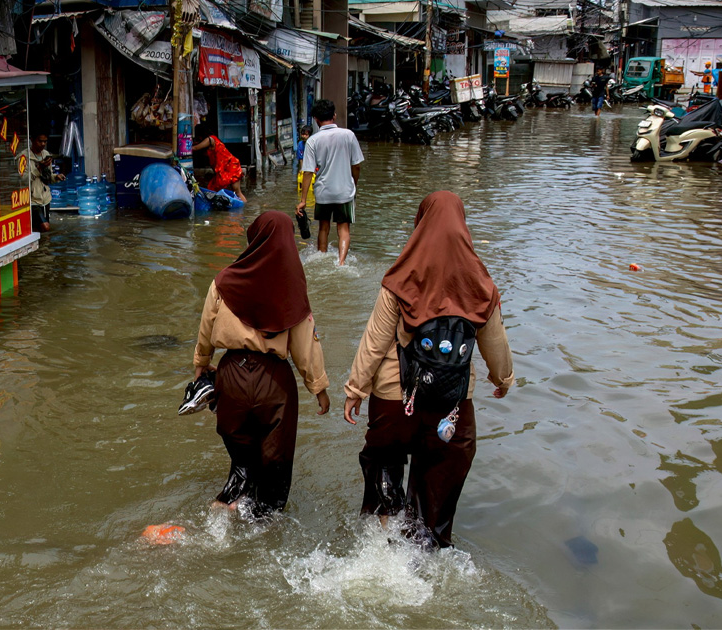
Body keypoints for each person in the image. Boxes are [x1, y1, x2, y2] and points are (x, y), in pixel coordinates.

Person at [343, 191, 514, 550]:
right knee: (435, 492)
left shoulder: (401, 278)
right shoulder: (482, 287)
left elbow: (374, 342)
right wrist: (503, 379)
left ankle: (379, 547)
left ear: (420, 226)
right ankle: (424, 552)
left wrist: (355, 389)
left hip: (395, 400)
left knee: (385, 466)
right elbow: (495, 344)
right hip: (450, 409)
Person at [193, 211, 331, 517]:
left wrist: (201, 364)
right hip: (274, 383)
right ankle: (265, 524)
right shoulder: (291, 287)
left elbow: (206, 328)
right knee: (274, 466)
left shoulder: (224, 281)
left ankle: (222, 510)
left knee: (242, 462)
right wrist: (319, 388)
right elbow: (306, 344)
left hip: (231, 378)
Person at [296, 99, 364, 266]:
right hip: (344, 191)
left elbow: (308, 172)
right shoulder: (348, 135)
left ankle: (321, 257)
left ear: (316, 119)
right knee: (343, 229)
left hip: (323, 191)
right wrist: (354, 184)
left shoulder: (312, 141)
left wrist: (303, 200)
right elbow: (356, 165)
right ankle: (341, 263)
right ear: (334, 115)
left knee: (323, 228)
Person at [19, 133, 64, 233]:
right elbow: (23, 180)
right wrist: (38, 168)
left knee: (41, 230)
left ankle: (43, 248)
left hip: (45, 198)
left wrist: (56, 177)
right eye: (40, 141)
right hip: (32, 200)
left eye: (45, 141)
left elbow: (48, 176)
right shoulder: (24, 157)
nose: (43, 144)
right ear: (32, 140)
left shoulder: (46, 154)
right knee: (45, 227)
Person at [193, 133, 246, 202]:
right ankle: (242, 209)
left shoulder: (210, 140)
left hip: (230, 166)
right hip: (230, 166)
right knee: (237, 192)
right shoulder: (213, 143)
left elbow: (195, 148)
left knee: (214, 190)